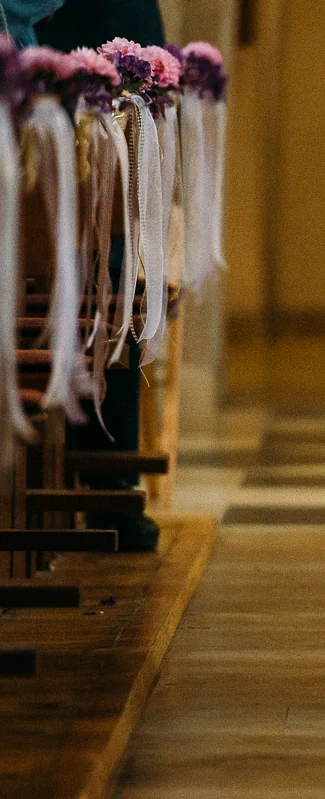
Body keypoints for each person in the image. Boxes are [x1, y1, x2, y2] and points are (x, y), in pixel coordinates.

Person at [36, 0, 168, 551]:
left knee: (109, 277)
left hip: (100, 88)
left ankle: (108, 482)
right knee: (85, 275)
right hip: (46, 82)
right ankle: (85, 482)